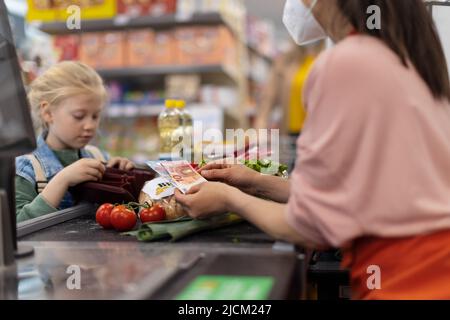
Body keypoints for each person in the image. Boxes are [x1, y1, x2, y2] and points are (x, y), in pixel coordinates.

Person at [175, 0, 450, 299]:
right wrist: (255, 181)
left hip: (405, 282)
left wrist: (230, 199)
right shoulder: (408, 60)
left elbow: (307, 227)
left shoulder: (348, 62)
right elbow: (352, 195)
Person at [15, 61, 134, 223]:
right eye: (79, 116)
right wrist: (62, 180)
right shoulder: (26, 169)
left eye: (95, 116)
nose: (90, 125)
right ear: (48, 112)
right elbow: (17, 228)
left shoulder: (99, 157)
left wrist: (120, 177)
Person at [255, 41, 324, 171]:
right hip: (292, 135)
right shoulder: (286, 60)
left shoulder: (329, 56)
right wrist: (260, 128)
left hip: (320, 136)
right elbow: (267, 99)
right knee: (290, 178)